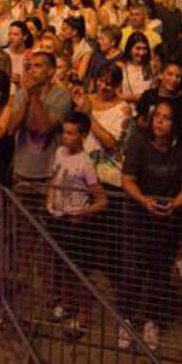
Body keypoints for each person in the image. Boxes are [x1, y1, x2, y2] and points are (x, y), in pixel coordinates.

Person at [119, 100, 182, 351]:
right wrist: (144, 201)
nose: (160, 122)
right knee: (132, 273)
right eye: (157, 116)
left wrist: (174, 204)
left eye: (167, 118)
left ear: (176, 123)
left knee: (159, 275)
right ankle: (127, 319)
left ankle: (152, 320)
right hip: (138, 218)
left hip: (167, 223)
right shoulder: (138, 143)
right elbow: (128, 179)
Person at [44, 112, 108, 332]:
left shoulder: (86, 164)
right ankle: (68, 303)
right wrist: (49, 202)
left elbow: (101, 200)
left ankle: (83, 316)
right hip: (58, 219)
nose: (66, 137)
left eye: (71, 133)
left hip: (75, 224)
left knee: (78, 272)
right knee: (62, 268)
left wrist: (83, 213)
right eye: (64, 132)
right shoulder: (60, 152)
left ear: (83, 135)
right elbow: (55, 178)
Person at [8, 51, 72, 184]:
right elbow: (11, 128)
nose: (31, 70)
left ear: (50, 71)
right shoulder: (21, 94)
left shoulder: (62, 96)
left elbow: (44, 129)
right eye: (30, 66)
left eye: (37, 66)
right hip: (21, 169)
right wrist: (27, 99)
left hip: (48, 173)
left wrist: (35, 96)